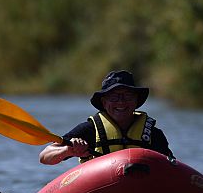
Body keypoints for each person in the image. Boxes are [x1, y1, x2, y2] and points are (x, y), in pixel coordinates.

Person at [39, 70, 173, 165]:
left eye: (127, 96)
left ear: (136, 101)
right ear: (104, 102)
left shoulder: (152, 134)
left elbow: (172, 167)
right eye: (114, 97)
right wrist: (68, 150)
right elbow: (44, 157)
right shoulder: (89, 129)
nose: (121, 102)